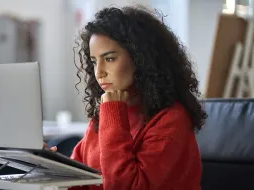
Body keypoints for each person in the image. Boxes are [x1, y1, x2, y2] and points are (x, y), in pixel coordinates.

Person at [67, 5, 207, 190]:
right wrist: (45, 164)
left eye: (109, 59)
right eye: (94, 61)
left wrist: (113, 114)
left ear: (140, 59)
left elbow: (125, 186)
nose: (98, 72)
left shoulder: (172, 119)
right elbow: (78, 182)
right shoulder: (103, 117)